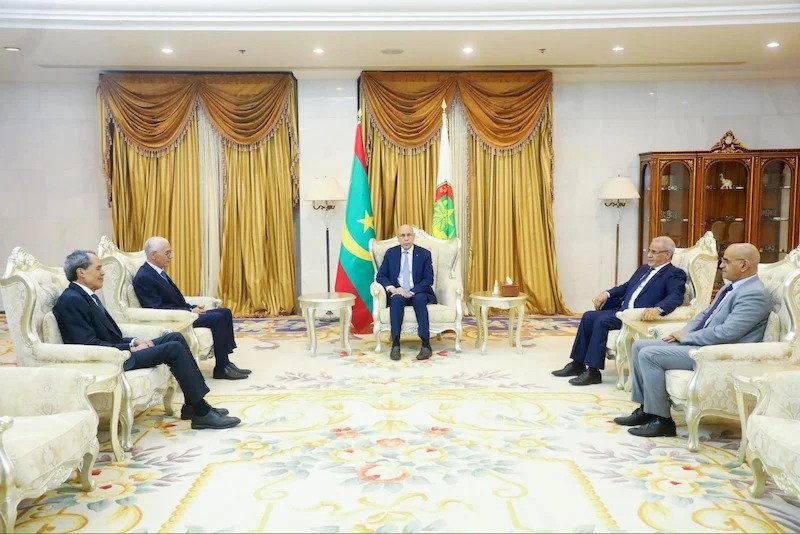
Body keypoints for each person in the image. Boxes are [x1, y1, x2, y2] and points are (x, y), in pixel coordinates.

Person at [53, 250, 241, 430]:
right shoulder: (71, 300)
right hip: (108, 361)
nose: (103, 273)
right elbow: (88, 345)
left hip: (116, 351)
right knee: (173, 348)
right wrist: (128, 348)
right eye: (98, 268)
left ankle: (192, 405)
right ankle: (201, 412)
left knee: (175, 337)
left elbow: (107, 335)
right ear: (81, 272)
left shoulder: (85, 296)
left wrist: (133, 341)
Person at [615, 243, 771, 438]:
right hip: (703, 344)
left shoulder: (754, 294)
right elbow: (704, 315)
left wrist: (688, 337)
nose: (721, 265)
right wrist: (682, 332)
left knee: (649, 355)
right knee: (639, 346)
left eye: (726, 261)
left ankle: (662, 421)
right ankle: (646, 409)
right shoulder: (731, 287)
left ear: (744, 265)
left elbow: (728, 333)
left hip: (717, 353)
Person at [552, 236, 687, 386]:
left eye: (654, 252)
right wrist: (607, 293)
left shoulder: (674, 273)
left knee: (601, 321)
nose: (649, 255)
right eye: (649, 250)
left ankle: (593, 372)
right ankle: (577, 364)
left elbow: (676, 296)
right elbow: (626, 286)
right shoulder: (643, 269)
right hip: (622, 311)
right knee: (588, 316)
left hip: (636, 317)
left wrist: (658, 309)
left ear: (667, 255)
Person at [132, 236, 249, 381]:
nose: (171, 256)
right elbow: (157, 308)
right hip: (176, 320)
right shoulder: (144, 277)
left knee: (225, 312)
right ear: (154, 255)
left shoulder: (157, 271)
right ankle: (221, 367)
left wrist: (192, 307)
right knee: (217, 318)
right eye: (167, 253)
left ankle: (225, 362)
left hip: (183, 313)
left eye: (170, 252)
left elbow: (174, 300)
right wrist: (189, 312)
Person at [376, 224, 436, 361]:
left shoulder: (424, 254)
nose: (406, 238)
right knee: (396, 300)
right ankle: (396, 344)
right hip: (398, 291)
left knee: (419, 299)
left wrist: (412, 292)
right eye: (402, 235)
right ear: (398, 238)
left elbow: (428, 280)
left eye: (409, 235)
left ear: (413, 237)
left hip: (418, 291)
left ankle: (426, 344)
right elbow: (381, 275)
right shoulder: (391, 253)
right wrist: (392, 288)